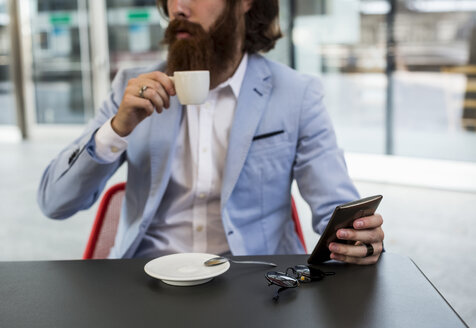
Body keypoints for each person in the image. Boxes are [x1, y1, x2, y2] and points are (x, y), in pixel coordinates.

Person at [38, 0, 384, 265]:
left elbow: (335, 210)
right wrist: (116, 129)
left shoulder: (296, 94)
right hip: (145, 281)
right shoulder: (131, 90)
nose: (179, 8)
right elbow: (55, 203)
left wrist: (357, 238)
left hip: (257, 285)